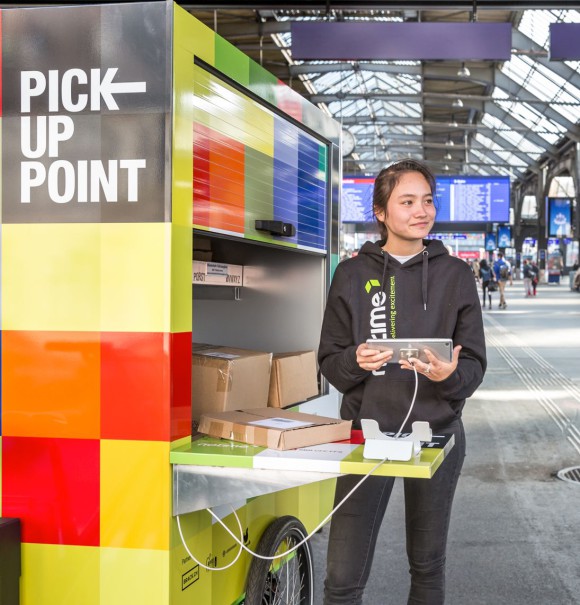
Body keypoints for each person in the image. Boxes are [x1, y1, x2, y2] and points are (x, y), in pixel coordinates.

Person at [318, 159, 487, 605]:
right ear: (380, 211)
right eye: (407, 201)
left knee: (427, 568)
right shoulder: (352, 275)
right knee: (342, 578)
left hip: (437, 433)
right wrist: (355, 361)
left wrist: (451, 377)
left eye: (427, 200)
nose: (421, 211)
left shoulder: (456, 276)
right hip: (366, 436)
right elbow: (329, 362)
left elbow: (473, 364)